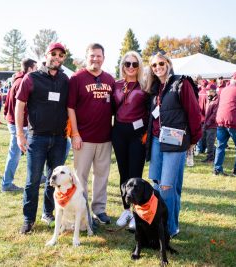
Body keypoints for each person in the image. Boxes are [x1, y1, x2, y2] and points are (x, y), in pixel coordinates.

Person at [144, 50, 202, 237]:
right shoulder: (154, 88)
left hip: (175, 142)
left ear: (168, 63)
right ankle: (161, 224)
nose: (158, 67)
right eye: (154, 65)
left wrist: (193, 141)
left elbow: (194, 113)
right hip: (155, 141)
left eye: (161, 63)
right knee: (158, 183)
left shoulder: (181, 83)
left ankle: (168, 228)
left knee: (168, 187)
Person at [15, 43, 69, 234]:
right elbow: (19, 106)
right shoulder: (31, 77)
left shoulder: (65, 80)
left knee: (53, 180)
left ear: (64, 58)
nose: (56, 57)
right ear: (46, 55)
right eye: (53, 54)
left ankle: (48, 213)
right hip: (37, 138)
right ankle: (28, 219)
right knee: (33, 179)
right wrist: (19, 134)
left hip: (60, 139)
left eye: (60, 55)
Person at [68, 43, 115, 225]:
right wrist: (75, 134)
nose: (95, 59)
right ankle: (83, 211)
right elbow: (70, 107)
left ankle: (99, 209)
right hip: (83, 137)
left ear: (104, 57)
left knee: (102, 175)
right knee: (81, 177)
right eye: (92, 56)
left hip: (105, 137)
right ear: (86, 56)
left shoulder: (110, 79)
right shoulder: (77, 78)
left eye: (99, 56)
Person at [112, 51, 149, 230]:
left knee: (136, 174)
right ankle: (126, 209)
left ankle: (137, 213)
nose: (131, 67)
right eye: (128, 64)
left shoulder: (145, 86)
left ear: (139, 66)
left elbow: (151, 110)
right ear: (123, 66)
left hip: (137, 134)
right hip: (119, 132)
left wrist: (146, 134)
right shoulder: (116, 85)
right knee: (123, 173)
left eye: (135, 64)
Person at [1, 58, 37, 192]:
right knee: (15, 155)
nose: (37, 70)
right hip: (20, 124)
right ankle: (7, 184)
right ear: (29, 69)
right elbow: (21, 106)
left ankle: (42, 176)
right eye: (35, 68)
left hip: (15, 122)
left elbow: (8, 101)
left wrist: (6, 113)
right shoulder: (23, 81)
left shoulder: (17, 80)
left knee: (34, 150)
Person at [213, 72, 236, 177]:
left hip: (221, 119)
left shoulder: (224, 89)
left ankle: (217, 169)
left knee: (220, 146)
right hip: (234, 121)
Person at [200, 83, 219, 163]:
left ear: (213, 91)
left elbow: (215, 114)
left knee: (210, 141)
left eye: (209, 91)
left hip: (212, 125)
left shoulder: (217, 100)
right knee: (205, 141)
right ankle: (212, 154)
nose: (207, 92)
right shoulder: (209, 99)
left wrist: (207, 123)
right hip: (206, 124)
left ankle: (210, 158)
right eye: (207, 91)